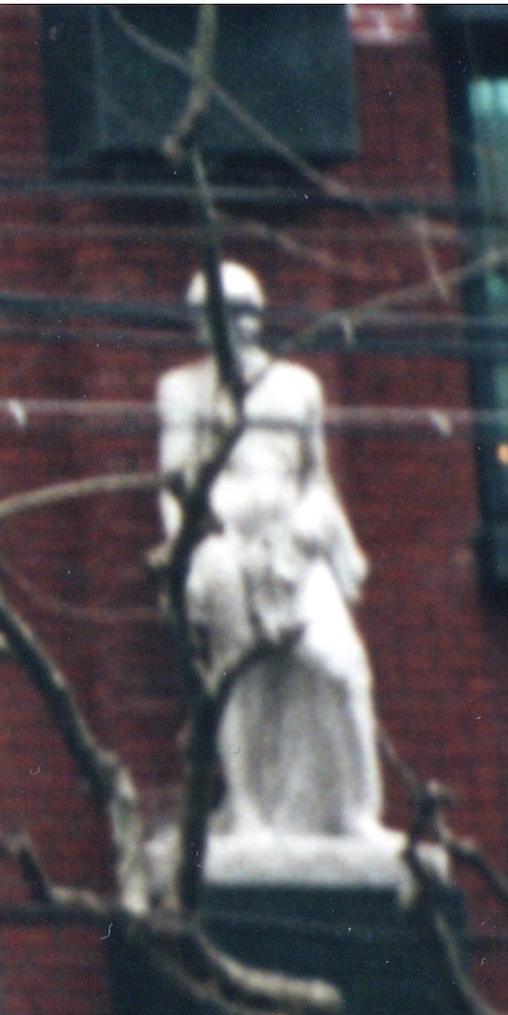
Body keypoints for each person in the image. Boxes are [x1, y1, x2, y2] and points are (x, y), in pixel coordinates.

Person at [154, 261, 387, 866]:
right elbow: (174, 481)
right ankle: (250, 812)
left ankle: (357, 812)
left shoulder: (299, 386)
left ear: (253, 317)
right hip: (226, 543)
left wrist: (329, 540)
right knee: (237, 677)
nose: (221, 327)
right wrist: (185, 557)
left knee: (343, 667)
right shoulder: (182, 388)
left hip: (296, 543)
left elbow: (317, 477)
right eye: (208, 316)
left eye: (234, 312)